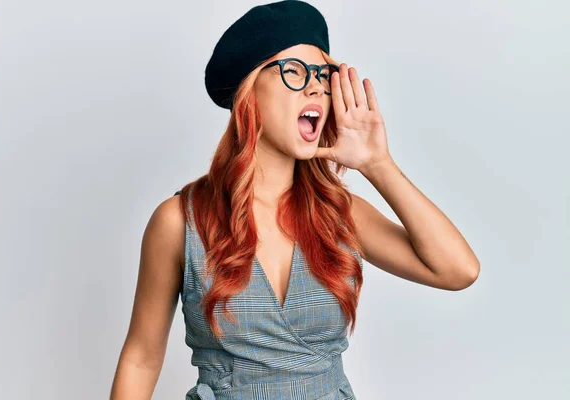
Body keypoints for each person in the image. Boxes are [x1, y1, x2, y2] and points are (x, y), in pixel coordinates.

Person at [110, 1, 480, 399]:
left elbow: (457, 270)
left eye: (322, 76)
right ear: (248, 91)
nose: (316, 87)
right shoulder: (179, 221)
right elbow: (141, 358)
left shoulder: (340, 214)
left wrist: (378, 164)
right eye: (294, 72)